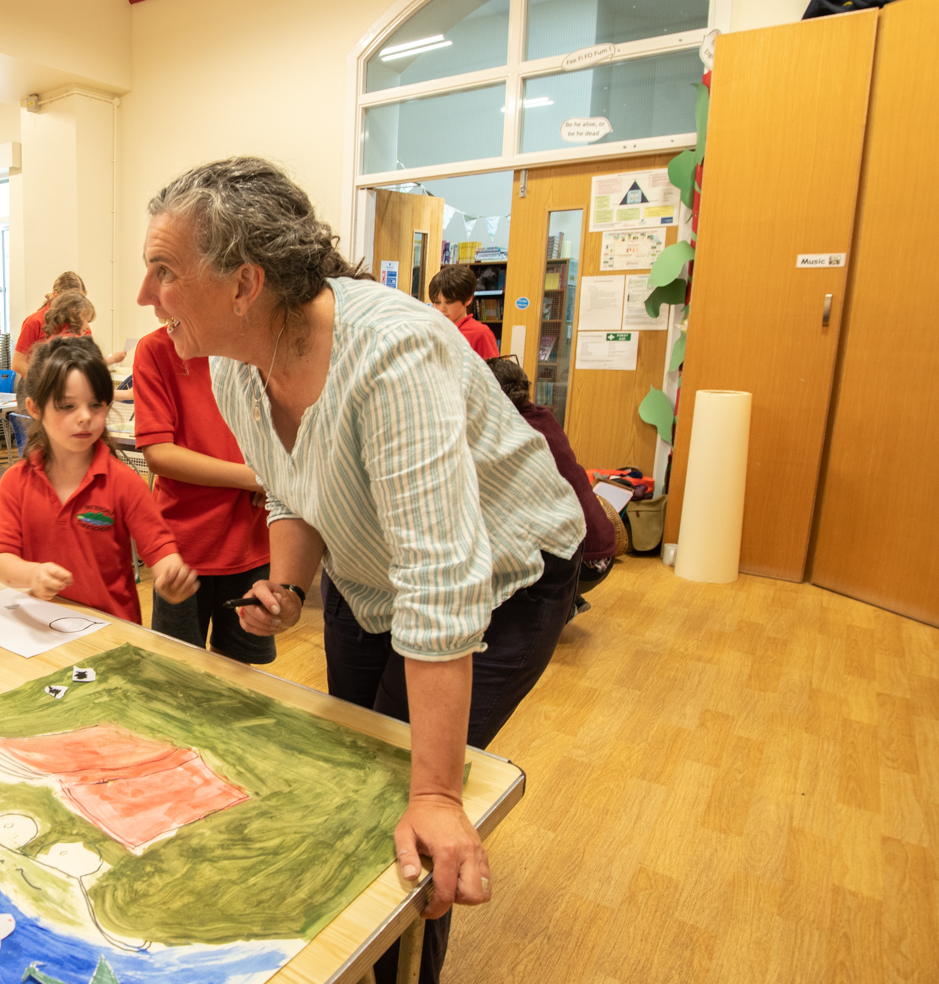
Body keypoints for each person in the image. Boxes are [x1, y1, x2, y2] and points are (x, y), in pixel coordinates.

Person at [136, 157, 585, 984]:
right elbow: (294, 486)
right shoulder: (238, 362)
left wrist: (441, 798)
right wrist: (291, 585)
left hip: (504, 579)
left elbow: (442, 581)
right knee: (353, 773)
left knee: (402, 800)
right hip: (373, 575)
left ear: (245, 284)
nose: (144, 294)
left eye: (164, 270)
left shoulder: (394, 351)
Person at [0, 336, 199, 623]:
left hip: (112, 634)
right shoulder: (15, 482)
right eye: (67, 406)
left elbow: (160, 549)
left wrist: (170, 575)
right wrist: (33, 575)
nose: (85, 417)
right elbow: (0, 559)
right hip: (40, 628)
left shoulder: (124, 483)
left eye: (96, 405)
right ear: (35, 408)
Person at [132, 323, 274, 664]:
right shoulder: (156, 349)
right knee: (177, 671)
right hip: (183, 549)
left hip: (250, 543)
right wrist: (256, 478)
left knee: (240, 672)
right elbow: (159, 455)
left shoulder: (257, 344)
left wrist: (273, 476)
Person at [486, 356, 617, 616]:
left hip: (582, 561)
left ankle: (555, 607)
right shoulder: (542, 418)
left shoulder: (515, 432)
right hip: (601, 551)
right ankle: (566, 601)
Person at [428, 264, 498, 359]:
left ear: (468, 299)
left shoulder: (480, 333)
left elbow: (491, 372)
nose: (442, 309)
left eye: (449, 302)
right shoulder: (431, 329)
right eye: (437, 302)